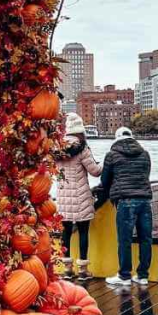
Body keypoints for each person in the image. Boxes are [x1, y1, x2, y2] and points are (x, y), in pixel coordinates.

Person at [100, 126, 153, 286]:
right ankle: (142, 275)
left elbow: (105, 180)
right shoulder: (145, 154)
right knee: (145, 239)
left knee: (125, 240)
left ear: (116, 138)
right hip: (145, 200)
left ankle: (124, 276)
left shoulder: (112, 155)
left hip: (125, 201)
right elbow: (146, 174)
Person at [55, 113, 102, 280]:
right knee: (83, 232)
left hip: (62, 197)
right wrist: (105, 163)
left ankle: (67, 269)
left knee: (66, 232)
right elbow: (95, 172)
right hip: (81, 196)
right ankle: (83, 270)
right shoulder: (82, 148)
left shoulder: (57, 148)